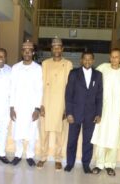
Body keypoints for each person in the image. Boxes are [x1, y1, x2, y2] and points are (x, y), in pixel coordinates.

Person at [91, 48, 120, 176]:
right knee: (101, 136)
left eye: (117, 57)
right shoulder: (103, 67)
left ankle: (110, 165)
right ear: (110, 57)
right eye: (112, 57)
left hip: (117, 110)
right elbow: (94, 83)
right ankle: (99, 164)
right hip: (103, 108)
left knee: (114, 138)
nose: (114, 59)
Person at [37, 37, 73, 171]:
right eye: (54, 47)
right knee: (44, 132)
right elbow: (41, 85)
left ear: (62, 49)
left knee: (60, 133)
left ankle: (58, 159)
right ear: (51, 49)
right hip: (46, 102)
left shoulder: (68, 64)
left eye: (59, 47)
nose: (56, 49)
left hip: (61, 104)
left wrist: (67, 108)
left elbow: (69, 87)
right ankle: (43, 157)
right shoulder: (45, 63)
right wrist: (41, 104)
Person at [64, 51, 103, 173]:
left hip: (90, 114)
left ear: (93, 60)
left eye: (90, 59)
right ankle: (70, 163)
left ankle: (86, 164)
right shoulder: (74, 73)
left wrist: (98, 113)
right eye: (85, 59)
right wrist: (69, 113)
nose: (87, 61)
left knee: (88, 141)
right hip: (75, 113)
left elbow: (99, 96)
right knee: (72, 140)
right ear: (81, 60)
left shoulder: (98, 75)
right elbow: (68, 95)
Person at [10, 40, 43, 167]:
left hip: (31, 106)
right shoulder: (15, 68)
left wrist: (37, 108)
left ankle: (30, 155)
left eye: (29, 51)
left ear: (33, 52)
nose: (27, 53)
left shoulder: (38, 68)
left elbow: (40, 89)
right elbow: (12, 88)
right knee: (17, 131)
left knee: (32, 131)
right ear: (22, 52)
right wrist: (11, 107)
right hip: (18, 105)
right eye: (25, 50)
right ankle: (18, 154)